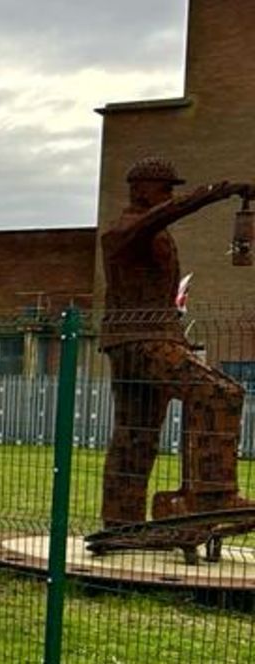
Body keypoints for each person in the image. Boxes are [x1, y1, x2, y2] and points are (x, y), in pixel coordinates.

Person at [98, 157, 255, 528]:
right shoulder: (126, 231)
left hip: (137, 340)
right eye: (164, 187)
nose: (170, 194)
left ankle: (121, 524)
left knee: (136, 433)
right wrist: (221, 191)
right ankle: (211, 496)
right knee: (219, 393)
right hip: (144, 339)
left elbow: (163, 217)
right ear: (139, 188)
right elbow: (166, 213)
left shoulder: (146, 231)